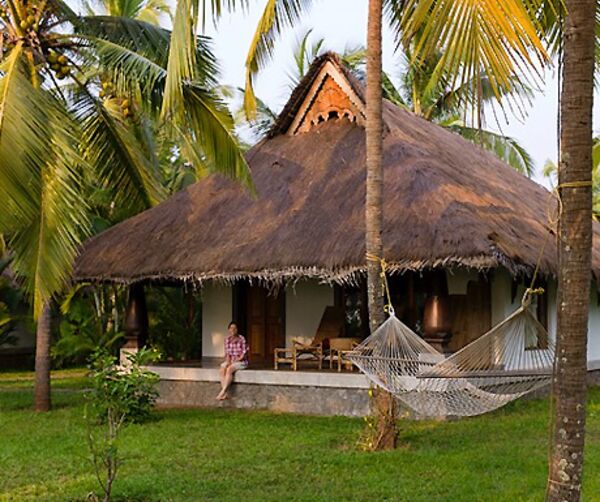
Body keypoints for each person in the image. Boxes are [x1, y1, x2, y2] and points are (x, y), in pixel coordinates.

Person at [217, 321, 249, 400]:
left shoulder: (242, 339)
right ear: (228, 329)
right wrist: (228, 361)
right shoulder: (227, 340)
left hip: (241, 361)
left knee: (229, 369)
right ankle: (225, 393)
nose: (233, 330)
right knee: (222, 369)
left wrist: (234, 361)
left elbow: (243, 355)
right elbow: (227, 354)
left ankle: (223, 392)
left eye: (235, 328)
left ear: (237, 329)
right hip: (231, 360)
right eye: (231, 328)